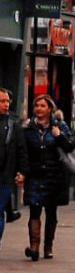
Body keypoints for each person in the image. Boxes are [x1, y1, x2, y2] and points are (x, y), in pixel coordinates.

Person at [21, 94, 74, 261]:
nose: (39, 109)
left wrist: (59, 136)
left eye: (42, 106)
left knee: (51, 212)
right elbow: (23, 151)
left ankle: (48, 246)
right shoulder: (28, 127)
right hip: (35, 175)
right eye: (36, 106)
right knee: (34, 210)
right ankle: (34, 247)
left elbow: (70, 146)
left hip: (54, 175)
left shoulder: (60, 126)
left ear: (50, 109)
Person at [0, 88, 28, 254]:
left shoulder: (13, 123)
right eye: (2, 101)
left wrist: (22, 172)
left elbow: (21, 150)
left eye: (7, 101)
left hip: (4, 176)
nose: (6, 104)